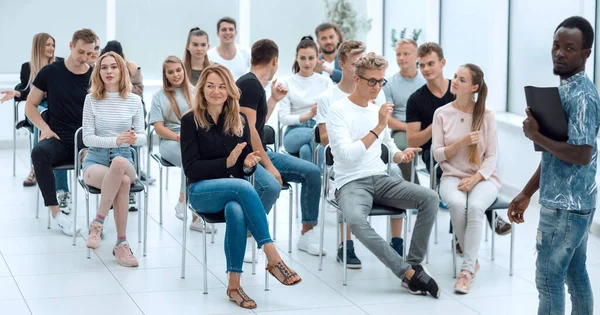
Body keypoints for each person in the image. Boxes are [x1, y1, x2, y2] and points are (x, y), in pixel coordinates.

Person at [181, 64, 302, 309]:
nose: (216, 91)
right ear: (202, 89)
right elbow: (191, 169)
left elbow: (241, 170)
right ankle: (272, 256)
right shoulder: (190, 120)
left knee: (236, 209)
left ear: (229, 91)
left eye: (222, 86)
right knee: (242, 188)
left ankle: (234, 286)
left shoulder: (239, 120)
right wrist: (227, 163)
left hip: (231, 189)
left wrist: (246, 165)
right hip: (201, 192)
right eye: (211, 86)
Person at [327, 52, 440, 298]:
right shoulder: (338, 110)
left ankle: (414, 264)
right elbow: (347, 155)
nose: (377, 87)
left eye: (381, 81)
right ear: (357, 79)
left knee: (430, 198)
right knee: (356, 221)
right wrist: (378, 127)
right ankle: (408, 274)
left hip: (380, 178)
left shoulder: (377, 107)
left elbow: (387, 145)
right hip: (351, 183)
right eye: (372, 82)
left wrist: (401, 155)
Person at [509, 16, 599, 315]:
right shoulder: (566, 91)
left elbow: (581, 154)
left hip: (565, 208)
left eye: (569, 48)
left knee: (548, 280)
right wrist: (526, 193)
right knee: (575, 275)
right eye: (556, 46)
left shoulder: (583, 95)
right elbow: (555, 155)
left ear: (586, 53)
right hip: (573, 203)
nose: (560, 53)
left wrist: (536, 135)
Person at [406, 43, 511, 247]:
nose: (426, 69)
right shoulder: (417, 100)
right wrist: (440, 123)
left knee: (484, 161)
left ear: (442, 63)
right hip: (435, 152)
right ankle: (477, 226)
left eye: (431, 63)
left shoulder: (458, 87)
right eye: (422, 65)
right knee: (458, 187)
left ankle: (467, 230)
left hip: (469, 155)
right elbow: (412, 141)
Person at [315, 40, 402, 269]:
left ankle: (397, 242)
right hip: (345, 162)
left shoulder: (377, 94)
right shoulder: (329, 99)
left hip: (373, 162)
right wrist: (355, 138)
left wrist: (396, 153)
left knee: (398, 174)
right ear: (343, 65)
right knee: (348, 184)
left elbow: (385, 136)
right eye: (355, 64)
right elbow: (326, 140)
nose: (360, 67)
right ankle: (346, 245)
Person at [237, 39, 323, 258]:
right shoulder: (249, 84)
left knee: (313, 172)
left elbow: (257, 123)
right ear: (275, 61)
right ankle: (246, 237)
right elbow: (250, 132)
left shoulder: (256, 85)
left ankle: (307, 232)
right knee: (270, 187)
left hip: (260, 152)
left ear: (251, 59)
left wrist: (274, 100)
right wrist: (269, 166)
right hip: (247, 156)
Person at [432, 64, 500, 294]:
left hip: (484, 178)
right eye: (455, 77)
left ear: (474, 87)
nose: (454, 81)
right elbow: (437, 154)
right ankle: (472, 262)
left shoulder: (487, 116)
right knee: (458, 204)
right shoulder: (441, 114)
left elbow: (491, 156)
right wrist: (461, 143)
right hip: (452, 174)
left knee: (476, 207)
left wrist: (476, 178)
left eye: (461, 79)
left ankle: (466, 271)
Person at [26, 28, 97, 236]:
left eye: (89, 54)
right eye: (81, 52)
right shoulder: (50, 72)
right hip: (58, 139)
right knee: (38, 153)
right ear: (71, 46)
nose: (84, 58)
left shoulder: (94, 75)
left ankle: (101, 218)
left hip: (86, 140)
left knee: (112, 160)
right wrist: (44, 128)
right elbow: (30, 105)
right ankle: (57, 214)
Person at [81, 51, 146, 267]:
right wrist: (116, 141)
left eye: (114, 67)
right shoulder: (91, 100)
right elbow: (87, 137)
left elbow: (143, 137)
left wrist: (134, 139)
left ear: (122, 71)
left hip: (125, 159)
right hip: (95, 161)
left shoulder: (134, 100)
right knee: (123, 183)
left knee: (119, 164)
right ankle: (121, 243)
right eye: (104, 67)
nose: (109, 71)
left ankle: (97, 223)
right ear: (98, 72)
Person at [0, 33, 70, 201]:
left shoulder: (60, 64)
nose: (52, 48)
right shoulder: (27, 67)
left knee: (47, 118)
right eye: (48, 45)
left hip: (55, 107)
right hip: (37, 109)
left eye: (53, 45)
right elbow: (27, 93)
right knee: (41, 116)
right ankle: (37, 165)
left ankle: (37, 166)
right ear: (39, 46)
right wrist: (17, 92)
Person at [148, 56, 212, 232]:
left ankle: (193, 211)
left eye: (178, 70)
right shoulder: (158, 96)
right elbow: (159, 128)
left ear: (184, 70)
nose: (175, 74)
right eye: (171, 72)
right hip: (170, 141)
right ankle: (187, 206)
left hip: (193, 140)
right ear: (165, 75)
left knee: (202, 160)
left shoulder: (195, 92)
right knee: (191, 160)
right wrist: (178, 137)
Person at [278, 36, 332, 163]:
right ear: (296, 58)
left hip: (318, 127)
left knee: (306, 151)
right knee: (317, 137)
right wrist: (310, 114)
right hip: (294, 132)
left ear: (317, 58)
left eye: (311, 58)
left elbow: (331, 112)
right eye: (302, 58)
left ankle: (313, 182)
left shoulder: (326, 82)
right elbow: (284, 118)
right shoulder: (286, 82)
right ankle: (324, 180)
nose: (307, 63)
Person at [383, 38, 426, 183]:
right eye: (398, 54)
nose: (401, 58)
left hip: (427, 129)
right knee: (401, 148)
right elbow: (387, 120)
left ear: (417, 56)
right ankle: (416, 191)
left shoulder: (427, 80)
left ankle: (441, 191)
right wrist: (409, 128)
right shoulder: (389, 83)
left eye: (406, 54)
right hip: (402, 130)